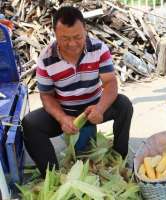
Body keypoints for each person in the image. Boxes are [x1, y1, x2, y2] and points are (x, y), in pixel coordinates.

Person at [22, 6, 133, 177]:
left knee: (124, 105)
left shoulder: (99, 49)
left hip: (94, 108)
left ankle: (119, 158)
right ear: (55, 33)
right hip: (66, 112)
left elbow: (110, 83)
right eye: (64, 38)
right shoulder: (46, 59)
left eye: (77, 37)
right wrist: (62, 118)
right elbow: (46, 96)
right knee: (30, 124)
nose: (72, 44)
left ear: (85, 30)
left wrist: (100, 108)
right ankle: (52, 175)